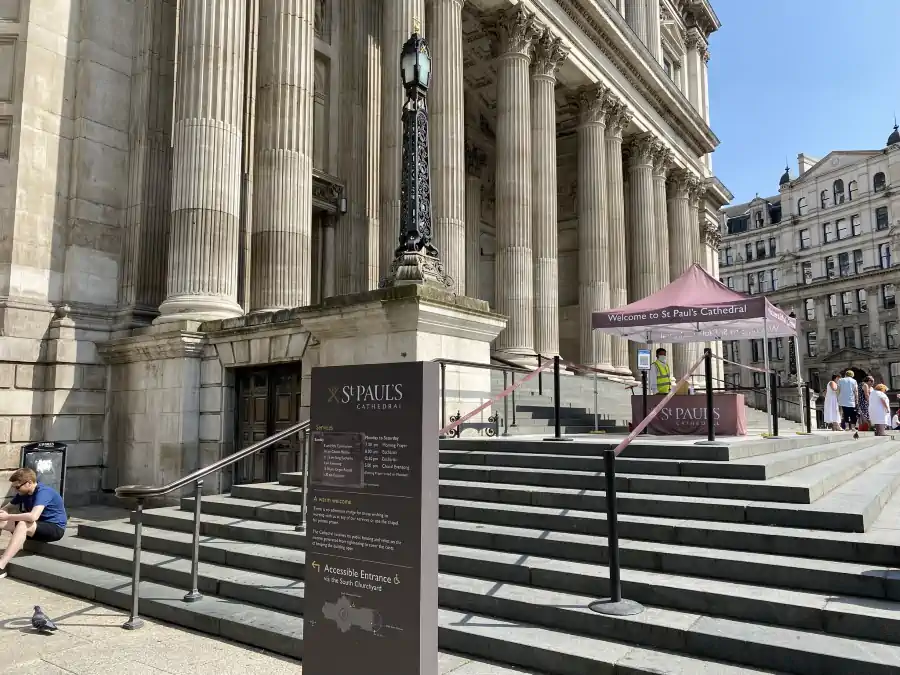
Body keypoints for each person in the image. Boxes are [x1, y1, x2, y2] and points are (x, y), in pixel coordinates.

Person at [0, 468, 67, 578]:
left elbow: (33, 516)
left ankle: (1, 567)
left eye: (17, 487)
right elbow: (7, 508)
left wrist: (8, 516)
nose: (16, 491)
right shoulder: (23, 492)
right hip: (36, 528)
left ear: (29, 483)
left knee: (23, 523)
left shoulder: (43, 492)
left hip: (54, 529)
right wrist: (3, 513)